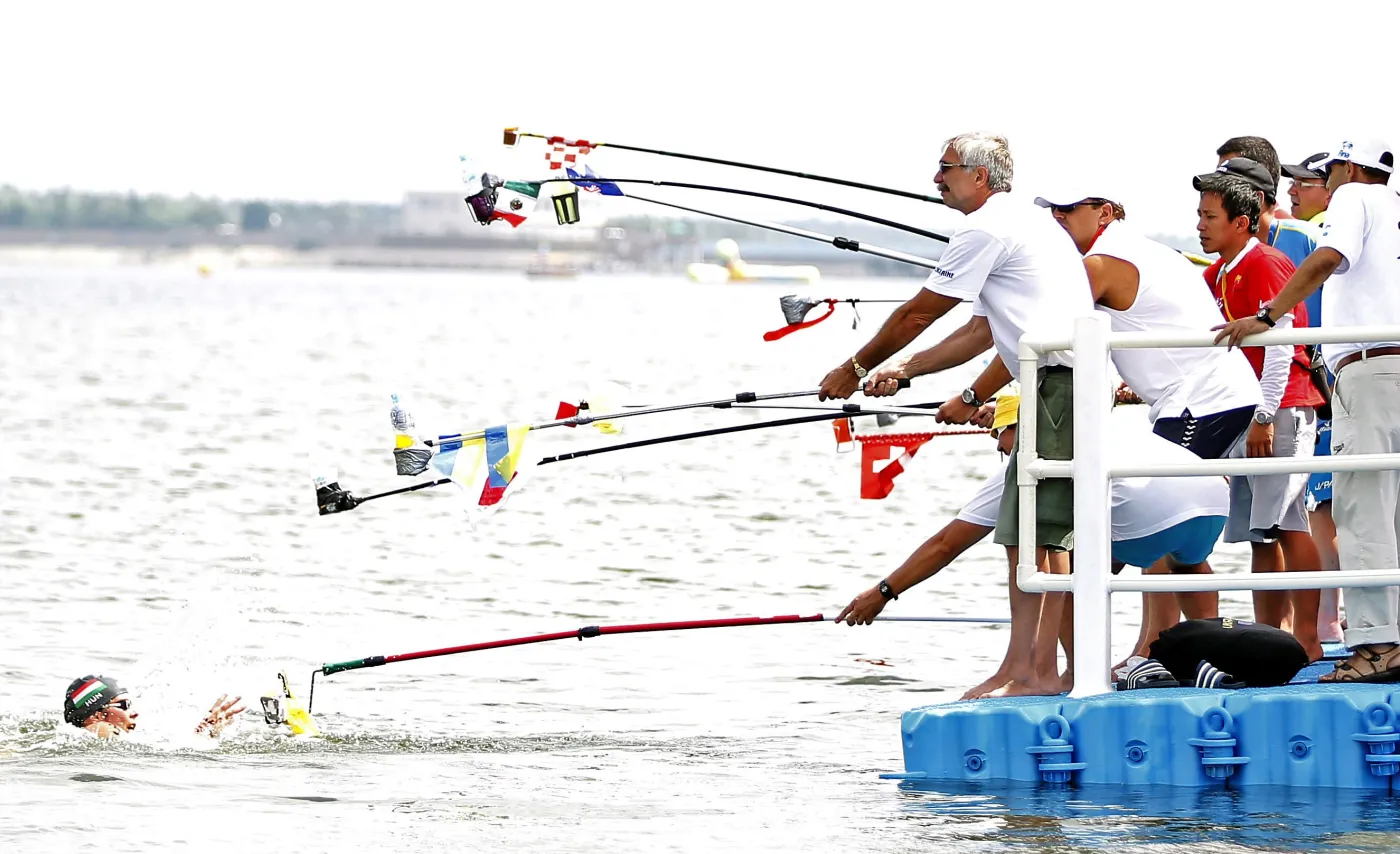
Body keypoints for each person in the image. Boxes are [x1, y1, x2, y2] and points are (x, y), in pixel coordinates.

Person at [819, 131, 1094, 697]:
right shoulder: (1026, 221)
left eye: (945, 169)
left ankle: (1033, 673)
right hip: (1060, 384)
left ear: (980, 176)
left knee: (1038, 540)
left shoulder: (984, 226)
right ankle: (1035, 668)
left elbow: (919, 312)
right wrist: (908, 371)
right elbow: (980, 330)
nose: (936, 179)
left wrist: (854, 364)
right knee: (1031, 537)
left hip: (1056, 388)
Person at [837, 392, 1228, 682]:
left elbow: (947, 544)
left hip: (1153, 520)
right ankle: (1217, 660)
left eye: (1000, 440)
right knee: (1181, 557)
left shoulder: (1031, 457)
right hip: (1212, 505)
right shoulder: (1107, 426)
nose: (1000, 450)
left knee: (1059, 556)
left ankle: (1072, 674)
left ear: (1017, 428)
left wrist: (884, 591)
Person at [1030, 180, 1263, 644]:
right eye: (1052, 210)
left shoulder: (1099, 264)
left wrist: (978, 396)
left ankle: (1156, 645)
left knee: (1168, 519)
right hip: (1198, 396)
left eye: (1068, 208)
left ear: (1105, 212)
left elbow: (1040, 333)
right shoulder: (1145, 252)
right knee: (1177, 531)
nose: (1058, 217)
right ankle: (1178, 645)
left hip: (1203, 398)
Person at [1215, 137, 1400, 682]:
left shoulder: (1355, 199)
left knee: (1363, 509)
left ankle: (1374, 648)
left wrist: (1268, 314)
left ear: (1347, 167)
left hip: (1370, 369)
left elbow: (1328, 256)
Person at [1195, 170, 1326, 662]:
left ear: (1242, 222)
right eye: (1200, 216)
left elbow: (1280, 343)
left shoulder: (1269, 263)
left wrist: (1265, 416)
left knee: (1289, 521)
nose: (1201, 226)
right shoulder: (1218, 273)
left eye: (1210, 217)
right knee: (1259, 531)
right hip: (1248, 410)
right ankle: (1272, 639)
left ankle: (1308, 639)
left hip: (1281, 405)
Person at [63, 674, 245, 739]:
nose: (134, 713)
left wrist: (208, 731)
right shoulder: (90, 738)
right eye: (124, 705)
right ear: (96, 716)